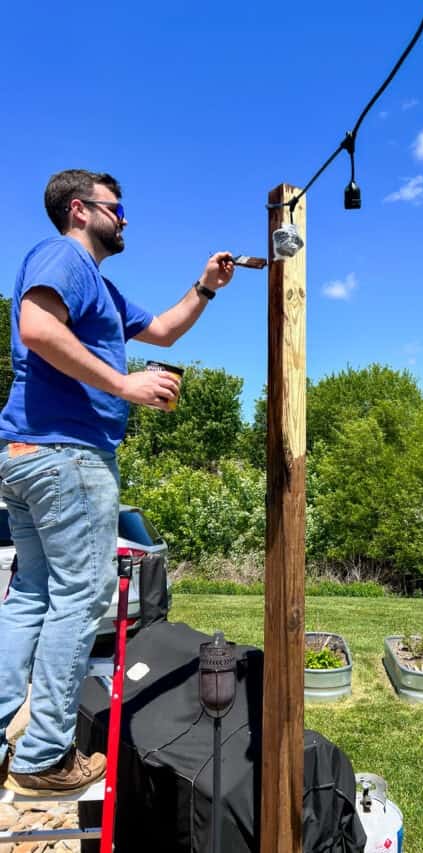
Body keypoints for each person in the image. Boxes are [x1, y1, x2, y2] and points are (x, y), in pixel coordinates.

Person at [0, 169, 234, 795]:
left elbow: (161, 330)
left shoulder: (100, 287)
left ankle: (4, 740)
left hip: (28, 456)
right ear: (80, 210)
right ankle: (44, 757)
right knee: (82, 596)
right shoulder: (64, 257)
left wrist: (205, 288)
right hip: (68, 456)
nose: (125, 218)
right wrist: (125, 385)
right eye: (116, 208)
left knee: (32, 597)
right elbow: (36, 328)